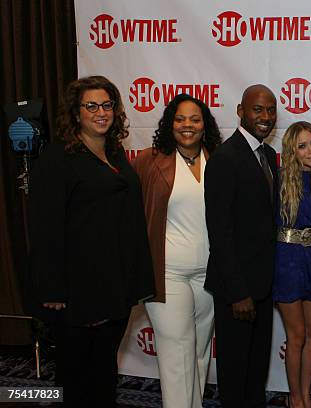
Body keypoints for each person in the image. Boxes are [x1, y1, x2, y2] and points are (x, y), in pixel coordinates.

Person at [28, 75, 154, 408]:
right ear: (76, 113)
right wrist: (52, 288)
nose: (101, 112)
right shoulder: (58, 159)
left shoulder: (114, 153)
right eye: (91, 106)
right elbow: (45, 226)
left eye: (107, 105)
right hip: (77, 289)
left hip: (114, 285)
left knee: (103, 370)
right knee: (75, 375)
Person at [132, 93, 222, 408]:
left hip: (209, 275)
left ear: (204, 124)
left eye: (195, 119)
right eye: (180, 118)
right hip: (167, 273)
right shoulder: (149, 160)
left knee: (198, 354)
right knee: (177, 354)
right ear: (171, 123)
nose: (187, 125)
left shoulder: (218, 159)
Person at [204, 84, 278, 408]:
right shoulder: (225, 158)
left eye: (270, 110)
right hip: (238, 291)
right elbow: (219, 232)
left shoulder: (269, 155)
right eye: (257, 109)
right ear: (240, 112)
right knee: (235, 375)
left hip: (262, 286)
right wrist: (238, 292)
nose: (265, 117)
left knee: (256, 371)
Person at [274, 121, 311, 408]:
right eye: (301, 145)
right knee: (295, 336)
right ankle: (294, 398)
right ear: (291, 151)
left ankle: (305, 396)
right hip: (287, 261)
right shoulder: (279, 179)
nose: (310, 150)